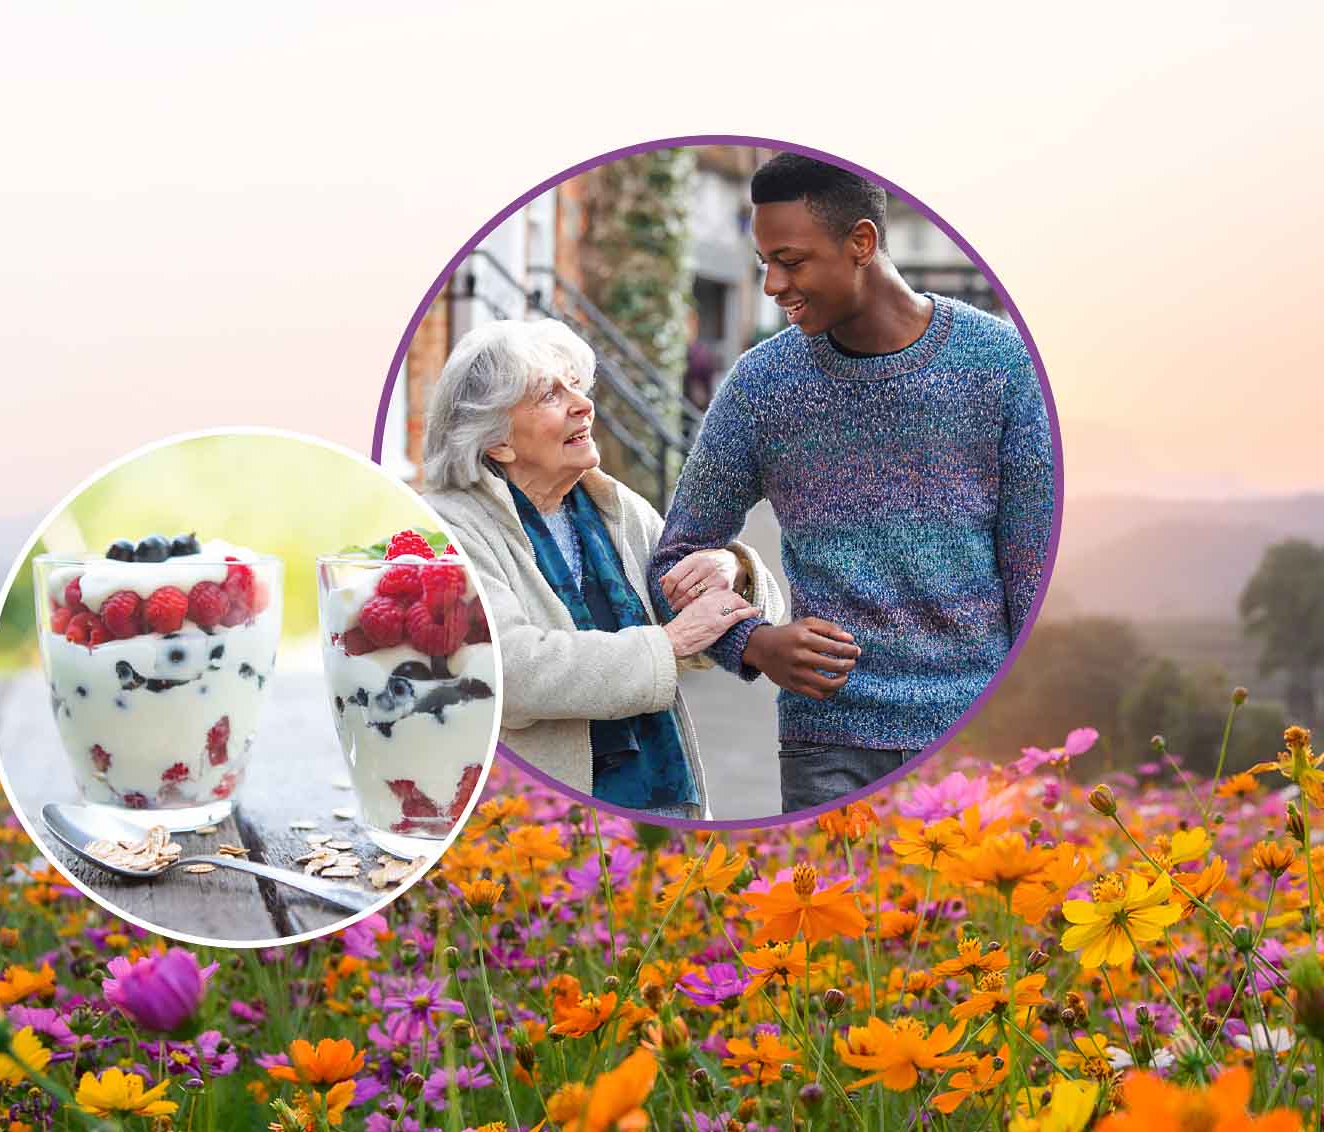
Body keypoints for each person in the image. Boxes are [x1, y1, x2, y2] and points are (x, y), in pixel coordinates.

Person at [647, 152, 1054, 815]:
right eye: (763, 264)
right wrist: (754, 643)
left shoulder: (999, 363)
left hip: (972, 740)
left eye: (792, 260)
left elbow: (1033, 571)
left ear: (861, 242)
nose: (774, 283)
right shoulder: (762, 386)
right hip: (828, 746)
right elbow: (674, 558)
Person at [422, 318, 784, 819]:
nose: (583, 404)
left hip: (665, 801)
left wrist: (731, 569)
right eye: (551, 394)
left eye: (577, 385)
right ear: (498, 441)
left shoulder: (611, 505)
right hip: (532, 823)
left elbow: (701, 613)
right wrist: (670, 644)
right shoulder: (448, 527)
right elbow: (506, 669)